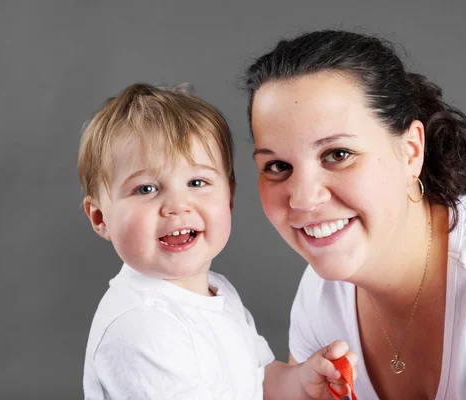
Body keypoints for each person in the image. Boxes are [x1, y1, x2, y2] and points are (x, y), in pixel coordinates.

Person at [244, 30, 466, 399]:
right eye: (277, 165)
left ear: (411, 152)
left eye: (338, 154)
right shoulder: (320, 296)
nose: (303, 199)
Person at [78, 83, 357, 399]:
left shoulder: (215, 292)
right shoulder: (142, 327)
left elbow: (259, 381)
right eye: (146, 189)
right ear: (101, 217)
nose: (177, 206)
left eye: (197, 182)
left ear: (230, 198)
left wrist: (303, 383)